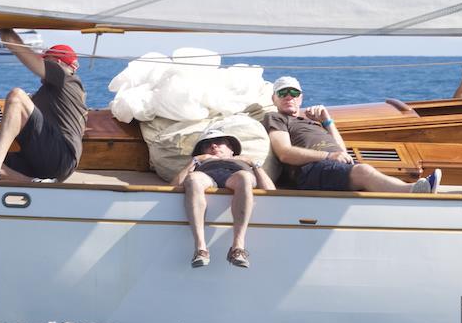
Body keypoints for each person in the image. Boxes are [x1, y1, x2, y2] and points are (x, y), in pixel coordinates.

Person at [0, 29, 87, 182]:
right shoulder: (48, 93)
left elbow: (21, 51)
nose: (42, 66)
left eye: (46, 60)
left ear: (57, 62)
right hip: (36, 161)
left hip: (61, 159)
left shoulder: (66, 78)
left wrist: (5, 31)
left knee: (17, 96)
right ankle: (31, 182)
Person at [263, 76, 441, 194]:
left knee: (366, 172)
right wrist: (329, 155)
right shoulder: (276, 118)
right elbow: (284, 152)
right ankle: (413, 191)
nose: (289, 97)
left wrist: (327, 121)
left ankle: (411, 189)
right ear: (274, 99)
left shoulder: (310, 121)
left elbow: (341, 150)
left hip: (331, 165)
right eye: (283, 93)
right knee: (363, 171)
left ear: (301, 98)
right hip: (310, 170)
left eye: (294, 93)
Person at [170, 129, 275, 269]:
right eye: (207, 145)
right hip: (206, 177)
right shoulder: (199, 163)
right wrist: (194, 161)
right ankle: (200, 248)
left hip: (236, 175)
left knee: (244, 177)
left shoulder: (243, 161)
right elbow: (173, 187)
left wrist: (253, 163)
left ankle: (238, 247)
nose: (213, 146)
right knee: (193, 179)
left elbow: (271, 191)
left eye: (220, 143)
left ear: (231, 149)